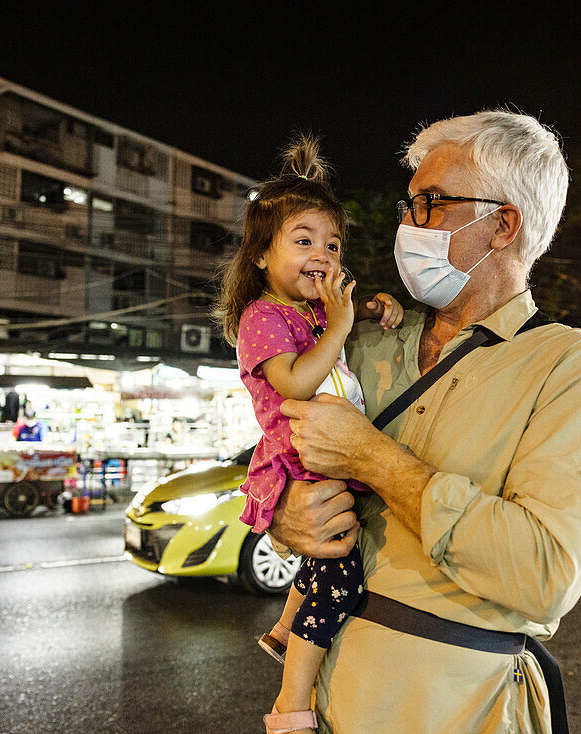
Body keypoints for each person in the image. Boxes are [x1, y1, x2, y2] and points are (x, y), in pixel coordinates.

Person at [267, 111, 581, 733]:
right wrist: (284, 515)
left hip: (459, 709)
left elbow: (544, 575)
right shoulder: (362, 339)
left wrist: (373, 459)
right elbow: (278, 451)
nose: (408, 223)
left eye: (431, 202)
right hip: (322, 704)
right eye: (408, 204)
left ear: (503, 225)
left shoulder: (574, 366)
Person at [213, 136, 403, 734]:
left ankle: (278, 630)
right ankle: (291, 703)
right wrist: (342, 322)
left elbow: (349, 319)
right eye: (303, 241)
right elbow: (295, 383)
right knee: (339, 576)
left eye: (332, 244)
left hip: (330, 454)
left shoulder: (316, 312)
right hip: (301, 459)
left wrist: (374, 308)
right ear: (262, 256)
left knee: (329, 559)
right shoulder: (262, 317)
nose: (322, 253)